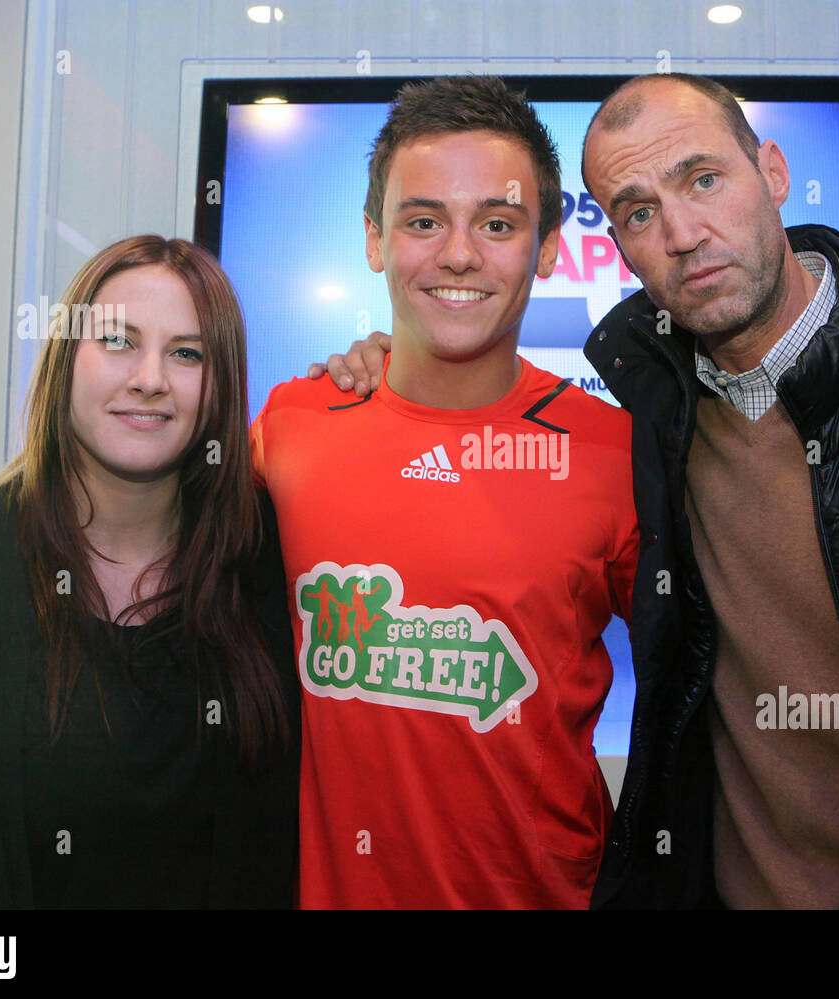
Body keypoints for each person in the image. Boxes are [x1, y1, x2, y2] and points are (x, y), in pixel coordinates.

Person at [320, 72, 839, 909]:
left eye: (703, 179)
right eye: (640, 211)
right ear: (617, 246)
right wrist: (384, 370)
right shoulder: (651, 428)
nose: (683, 233)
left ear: (774, 172)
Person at [250, 75, 638, 909]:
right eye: (424, 220)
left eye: (497, 224)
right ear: (374, 238)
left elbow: (718, 690)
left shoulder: (613, 452)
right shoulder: (290, 425)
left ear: (545, 248)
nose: (459, 254)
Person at [0, 235, 299, 908]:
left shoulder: (265, 559)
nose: (150, 377)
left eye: (187, 352)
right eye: (118, 341)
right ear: (66, 359)